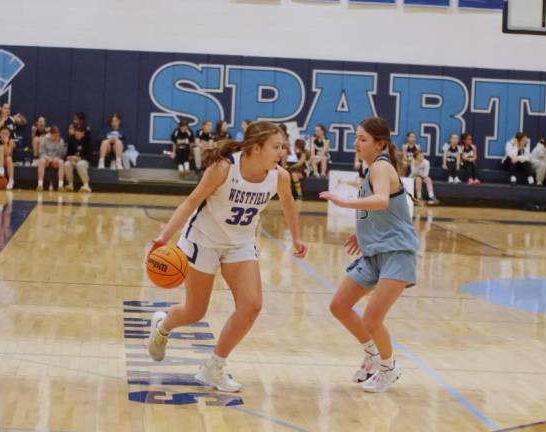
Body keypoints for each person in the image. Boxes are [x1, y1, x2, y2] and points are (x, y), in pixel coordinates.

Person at [147, 121, 308, 392]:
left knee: (252, 305)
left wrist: (297, 237)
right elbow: (191, 202)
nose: (282, 152)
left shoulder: (279, 176)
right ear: (256, 148)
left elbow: (289, 204)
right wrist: (164, 238)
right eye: (276, 146)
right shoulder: (224, 168)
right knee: (194, 311)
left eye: (282, 146)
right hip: (203, 240)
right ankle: (162, 326)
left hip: (240, 243)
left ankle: (214, 367)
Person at [319, 116, 418, 393]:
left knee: (372, 318)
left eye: (362, 139)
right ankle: (372, 355)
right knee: (339, 305)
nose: (356, 143)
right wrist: (363, 231)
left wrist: (343, 201)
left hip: (397, 252)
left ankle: (389, 368)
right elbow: (379, 210)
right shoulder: (372, 169)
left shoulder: (381, 166)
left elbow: (382, 199)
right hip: (374, 252)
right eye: (356, 137)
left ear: (380, 144)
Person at [36, 126, 66, 191]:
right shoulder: (44, 139)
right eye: (54, 136)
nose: (56, 137)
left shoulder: (61, 141)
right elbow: (41, 152)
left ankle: (60, 185)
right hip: (46, 160)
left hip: (55, 161)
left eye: (57, 135)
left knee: (61, 162)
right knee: (41, 161)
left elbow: (61, 155)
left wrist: (56, 158)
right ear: (50, 134)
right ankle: (40, 185)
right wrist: (48, 158)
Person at [64, 125, 92, 192]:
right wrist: (70, 157)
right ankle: (70, 185)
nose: (77, 135)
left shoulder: (87, 139)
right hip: (73, 160)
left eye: (79, 134)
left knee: (80, 164)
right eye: (76, 133)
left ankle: (86, 185)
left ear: (83, 133)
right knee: (67, 164)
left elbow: (89, 156)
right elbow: (67, 154)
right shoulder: (71, 138)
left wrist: (80, 158)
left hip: (84, 161)